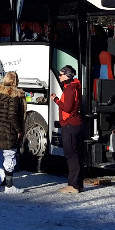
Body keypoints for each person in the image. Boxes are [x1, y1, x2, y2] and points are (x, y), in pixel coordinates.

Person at [0, 71, 26, 194]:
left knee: (1, 156)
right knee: (10, 156)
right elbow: (12, 116)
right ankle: (9, 186)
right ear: (15, 81)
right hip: (8, 131)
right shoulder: (14, 96)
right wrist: (19, 130)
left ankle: (0, 182)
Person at [50, 65, 85, 193]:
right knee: (77, 154)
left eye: (60, 74)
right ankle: (78, 184)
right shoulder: (74, 87)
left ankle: (73, 185)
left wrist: (56, 100)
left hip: (70, 125)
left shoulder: (70, 89)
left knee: (71, 155)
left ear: (67, 75)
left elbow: (67, 107)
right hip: (76, 124)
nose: (59, 77)